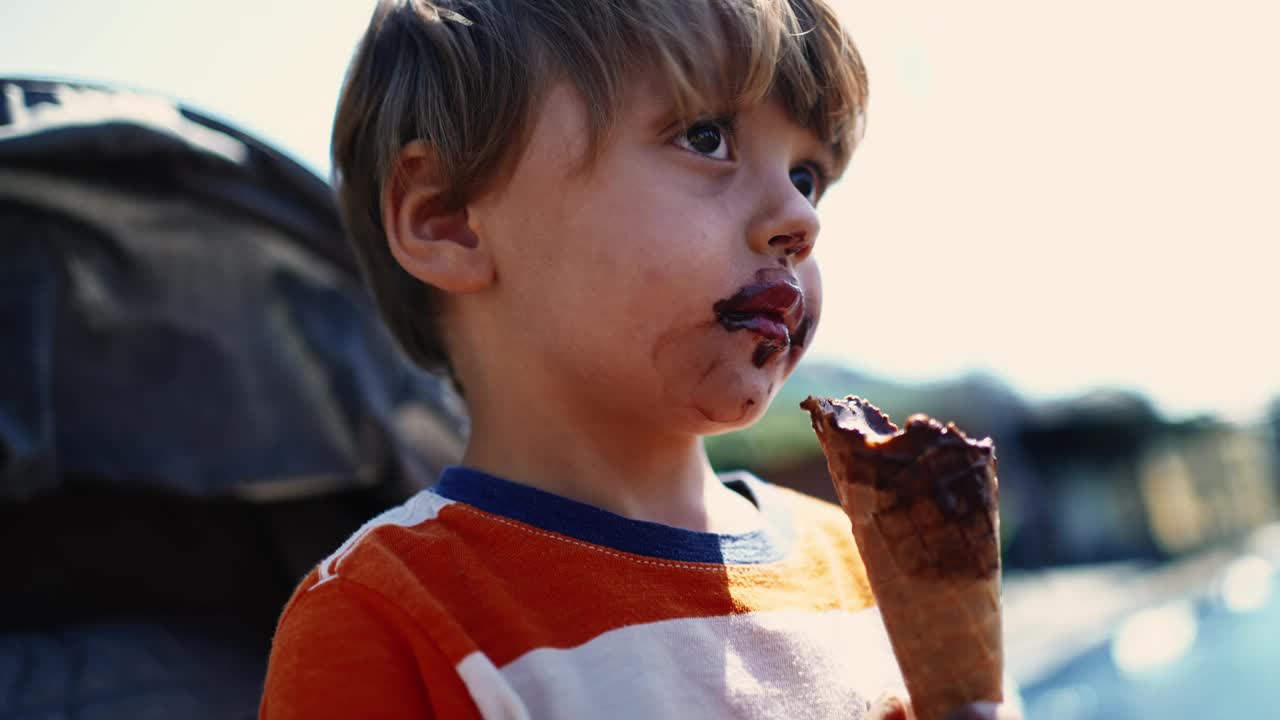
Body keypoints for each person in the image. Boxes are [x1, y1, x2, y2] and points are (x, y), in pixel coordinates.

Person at [261, 1, 1020, 718]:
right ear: (448, 219)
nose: (799, 220)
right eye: (705, 138)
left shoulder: (870, 567)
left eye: (806, 176)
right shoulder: (387, 619)